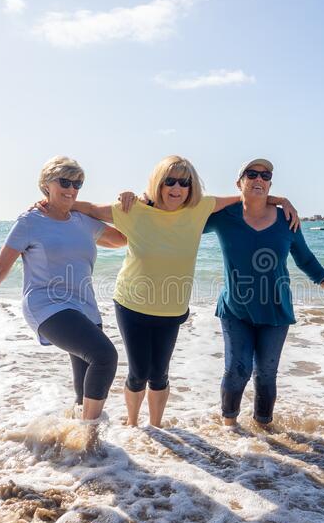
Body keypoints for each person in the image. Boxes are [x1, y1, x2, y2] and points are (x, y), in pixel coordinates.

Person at [63, 155, 299, 427]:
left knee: (159, 374)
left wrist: (280, 200)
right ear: (159, 183)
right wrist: (55, 203)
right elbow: (91, 209)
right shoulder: (133, 210)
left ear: (191, 187)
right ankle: (133, 425)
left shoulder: (199, 209)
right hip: (131, 304)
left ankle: (156, 428)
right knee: (139, 373)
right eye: (170, 181)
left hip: (172, 308)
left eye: (184, 183)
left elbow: (245, 197)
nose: (177, 188)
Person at [0, 156, 127, 423]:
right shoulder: (30, 222)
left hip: (85, 307)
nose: (71, 188)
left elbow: (121, 239)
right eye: (65, 182)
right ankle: (91, 434)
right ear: (46, 184)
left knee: (84, 391)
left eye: (77, 184)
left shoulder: (82, 221)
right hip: (47, 306)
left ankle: (74, 439)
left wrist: (85, 206)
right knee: (104, 356)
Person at [203, 158, 324, 428]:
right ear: (239, 183)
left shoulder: (286, 220)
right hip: (235, 308)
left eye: (265, 176)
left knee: (266, 374)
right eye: (251, 174)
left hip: (276, 310)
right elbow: (188, 219)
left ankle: (264, 429)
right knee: (237, 370)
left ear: (270, 184)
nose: (259, 178)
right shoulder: (225, 218)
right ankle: (229, 428)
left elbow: (305, 258)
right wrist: (148, 206)